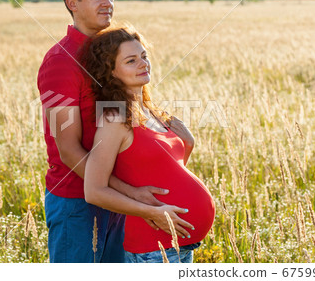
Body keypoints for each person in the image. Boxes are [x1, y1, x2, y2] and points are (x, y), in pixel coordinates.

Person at [37, 0, 189, 263]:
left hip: (120, 201)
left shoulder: (115, 51)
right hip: (77, 203)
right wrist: (130, 194)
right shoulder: (60, 63)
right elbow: (69, 151)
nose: (108, 3)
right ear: (73, 3)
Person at [81, 27, 216, 263]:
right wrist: (152, 212)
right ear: (111, 71)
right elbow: (94, 191)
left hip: (181, 244)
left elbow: (162, 173)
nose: (143, 64)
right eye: (131, 61)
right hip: (152, 246)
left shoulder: (151, 111)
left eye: (144, 56)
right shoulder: (115, 119)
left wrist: (189, 143)